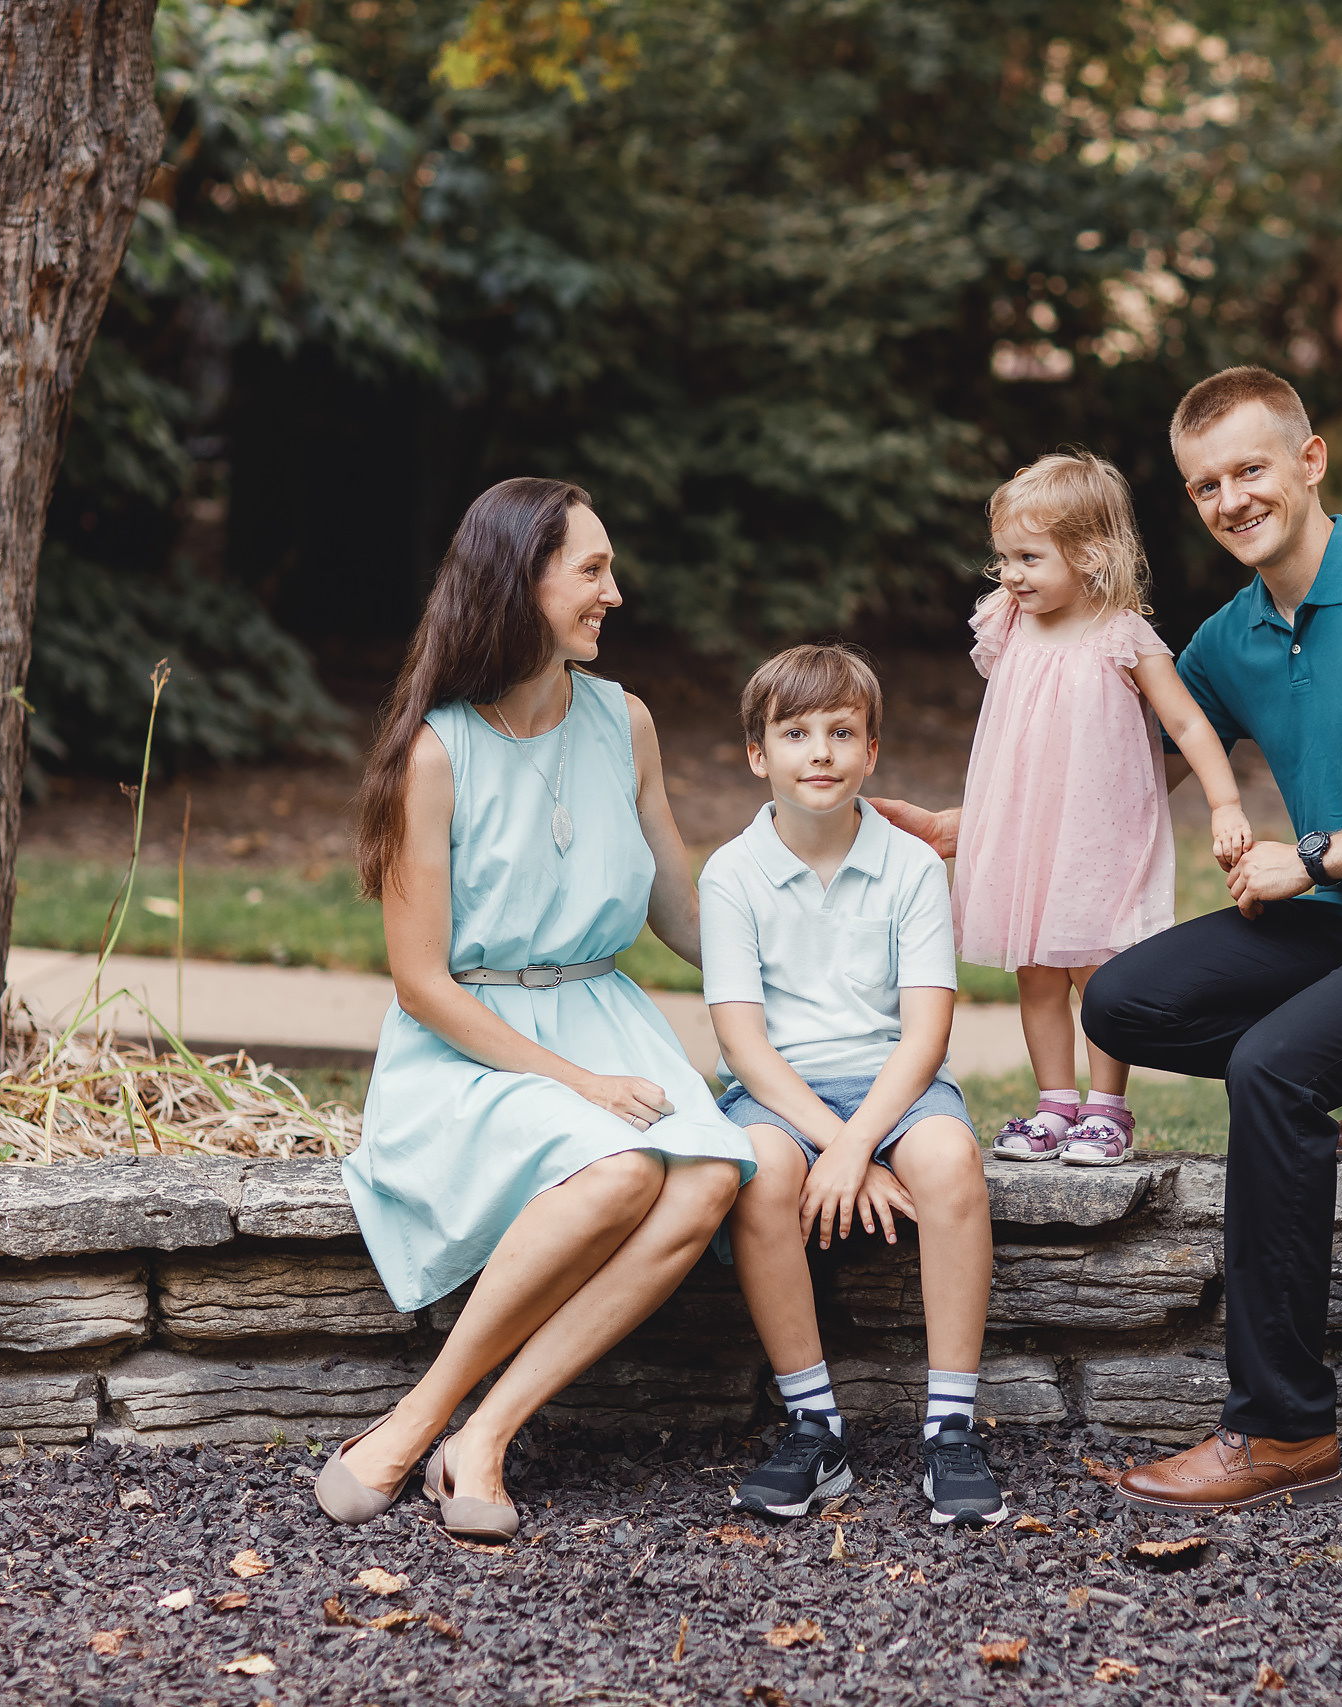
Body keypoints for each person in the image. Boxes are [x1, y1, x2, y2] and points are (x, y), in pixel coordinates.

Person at [879, 368, 1342, 1515]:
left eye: (1250, 469)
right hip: (1339, 927)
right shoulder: (1231, 637)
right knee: (1124, 1003)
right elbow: (1112, 763)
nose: (1231, 499)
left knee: (1272, 1072)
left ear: (1310, 461)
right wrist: (970, 824)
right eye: (1205, 484)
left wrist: (1317, 856)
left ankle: (1282, 1429)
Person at [317, 478, 755, 1541]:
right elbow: (421, 983)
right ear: (523, 581)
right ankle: (418, 1418)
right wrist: (582, 1087)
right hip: (467, 1052)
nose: (615, 591)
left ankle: (488, 1434)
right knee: (616, 1168)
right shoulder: (436, 750)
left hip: (604, 1020)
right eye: (592, 569)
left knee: (704, 1176)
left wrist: (819, 917)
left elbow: (679, 910)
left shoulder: (625, 721)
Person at [700, 645, 1005, 1527]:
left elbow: (926, 1035)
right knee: (757, 1167)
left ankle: (950, 1426)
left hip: (892, 1081)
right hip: (779, 1090)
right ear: (759, 754)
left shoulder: (910, 864)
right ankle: (814, 1425)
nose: (820, 752)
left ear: (873, 750)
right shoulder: (731, 873)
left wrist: (860, 1140)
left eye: (842, 732)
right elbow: (744, 1045)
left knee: (948, 1159)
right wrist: (839, 1151)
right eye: (795, 733)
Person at [950, 451, 1250, 1167]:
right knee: (1036, 968)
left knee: (1100, 971)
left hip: (1096, 835)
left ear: (1089, 554)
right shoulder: (1007, 625)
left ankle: (1106, 1109)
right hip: (1029, 832)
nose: (1011, 575)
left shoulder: (1123, 636)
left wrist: (1225, 803)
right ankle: (1056, 1101)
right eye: (1003, 560)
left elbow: (1188, 724)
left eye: (1028, 557)